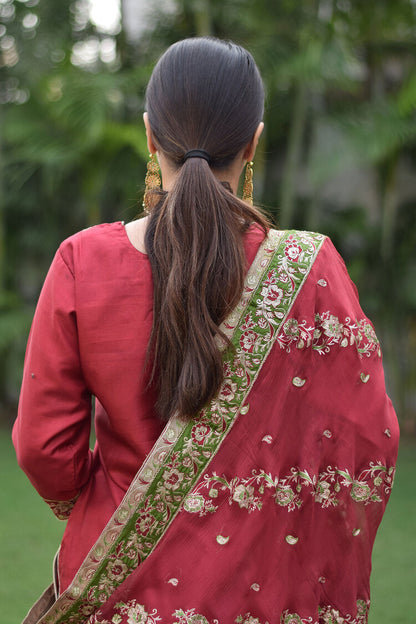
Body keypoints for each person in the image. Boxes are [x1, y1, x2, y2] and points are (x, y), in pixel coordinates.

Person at [13, 37, 399, 624]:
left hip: (117, 590)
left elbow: (45, 450)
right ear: (254, 143)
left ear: (149, 135)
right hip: (262, 595)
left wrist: (131, 509)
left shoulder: (82, 261)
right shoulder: (309, 270)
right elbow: (364, 441)